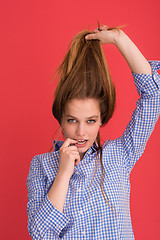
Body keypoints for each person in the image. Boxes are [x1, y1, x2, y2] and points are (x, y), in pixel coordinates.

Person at [27, 24, 160, 239]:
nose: (81, 132)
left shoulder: (120, 155)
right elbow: (41, 235)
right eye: (72, 120)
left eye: (90, 121)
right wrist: (63, 174)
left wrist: (119, 39)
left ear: (101, 120)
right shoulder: (41, 165)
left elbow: (154, 96)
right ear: (60, 118)